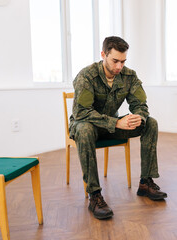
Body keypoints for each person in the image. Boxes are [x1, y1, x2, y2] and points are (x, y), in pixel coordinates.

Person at [69, 36, 167, 220]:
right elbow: (81, 112)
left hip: (111, 126)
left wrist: (137, 116)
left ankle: (146, 182)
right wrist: (116, 122)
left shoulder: (129, 76)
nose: (119, 67)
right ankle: (95, 195)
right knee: (84, 130)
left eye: (123, 61)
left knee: (150, 122)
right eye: (115, 61)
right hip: (86, 125)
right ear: (103, 55)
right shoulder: (87, 75)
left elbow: (141, 105)